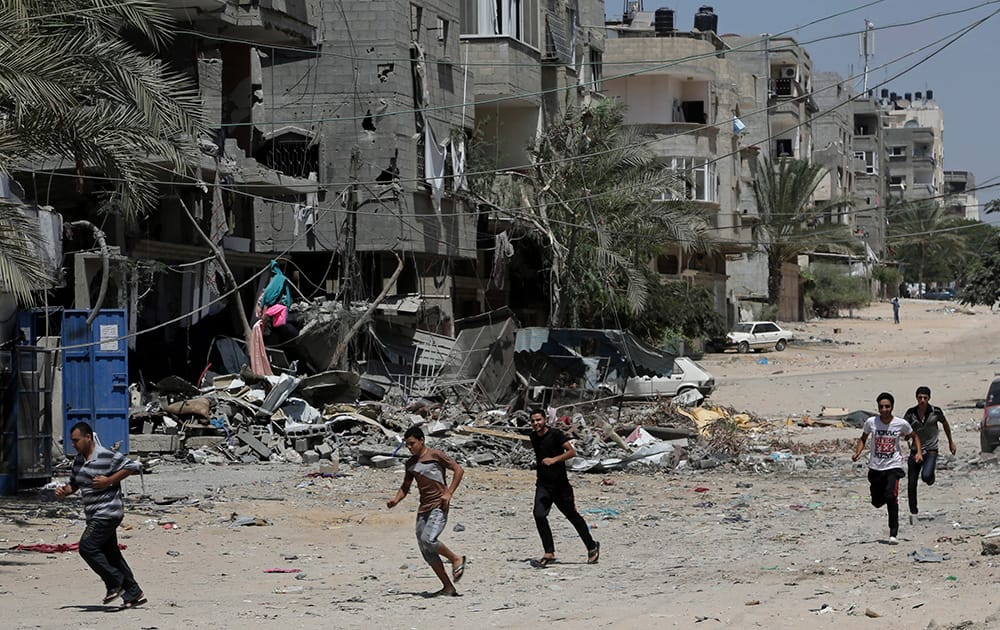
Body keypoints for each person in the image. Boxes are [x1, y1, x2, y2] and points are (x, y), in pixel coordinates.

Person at [54, 422, 146, 608]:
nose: (74, 444)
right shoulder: (79, 460)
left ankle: (114, 583)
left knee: (87, 547)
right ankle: (134, 592)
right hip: (93, 513)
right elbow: (75, 484)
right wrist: (65, 491)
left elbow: (132, 466)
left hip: (108, 512)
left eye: (77, 440)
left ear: (88, 438)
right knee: (111, 554)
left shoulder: (106, 455)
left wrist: (109, 480)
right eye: (72, 441)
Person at [386, 426, 467, 597]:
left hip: (439, 506)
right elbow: (405, 487)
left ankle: (455, 559)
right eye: (407, 445)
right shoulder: (410, 464)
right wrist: (396, 500)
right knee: (426, 550)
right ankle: (448, 587)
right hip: (423, 509)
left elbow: (458, 470)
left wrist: (449, 492)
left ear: (422, 440)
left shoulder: (435, 455)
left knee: (429, 539)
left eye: (412, 444)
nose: (410, 448)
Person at [528, 408, 600, 568]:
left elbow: (571, 452)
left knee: (572, 516)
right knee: (539, 515)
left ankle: (592, 546)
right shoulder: (533, 437)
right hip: (543, 484)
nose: (535, 423)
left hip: (560, 485)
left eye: (538, 420)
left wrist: (554, 460)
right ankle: (549, 552)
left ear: (545, 419)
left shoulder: (556, 434)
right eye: (533, 421)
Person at [852, 392, 922, 544]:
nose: (884, 409)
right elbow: (863, 438)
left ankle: (893, 533)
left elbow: (914, 436)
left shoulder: (900, 423)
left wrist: (919, 453)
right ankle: (883, 497)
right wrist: (858, 452)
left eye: (887, 406)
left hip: (894, 465)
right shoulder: (871, 422)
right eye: (882, 407)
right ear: (878, 408)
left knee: (891, 497)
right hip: (876, 467)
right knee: (877, 502)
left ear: (892, 407)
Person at [903, 386, 956, 524]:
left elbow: (945, 425)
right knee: (911, 482)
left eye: (925, 398)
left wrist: (951, 442)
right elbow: (904, 428)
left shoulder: (936, 411)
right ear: (916, 397)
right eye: (920, 397)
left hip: (931, 450)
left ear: (929, 399)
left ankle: (930, 477)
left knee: (926, 476)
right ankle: (913, 511)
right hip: (915, 451)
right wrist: (906, 435)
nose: (922, 400)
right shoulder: (910, 413)